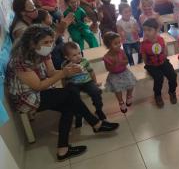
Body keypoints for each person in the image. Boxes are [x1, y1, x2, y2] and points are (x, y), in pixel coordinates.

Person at [6, 25, 119, 161]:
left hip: (39, 91)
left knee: (69, 104)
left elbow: (51, 73)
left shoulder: (43, 51)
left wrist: (69, 70)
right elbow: (39, 86)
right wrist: (64, 73)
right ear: (32, 43)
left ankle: (63, 150)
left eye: (51, 41)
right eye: (46, 42)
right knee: (70, 95)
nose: (49, 45)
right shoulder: (21, 60)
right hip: (26, 99)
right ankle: (96, 124)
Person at [61, 42, 106, 127]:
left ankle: (99, 109)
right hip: (73, 84)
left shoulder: (84, 61)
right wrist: (64, 87)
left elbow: (91, 72)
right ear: (67, 57)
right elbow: (63, 78)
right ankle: (79, 114)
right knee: (73, 96)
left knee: (96, 92)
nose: (78, 56)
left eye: (79, 53)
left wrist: (95, 82)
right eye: (74, 55)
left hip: (87, 81)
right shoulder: (65, 65)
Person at [140, 18, 177, 108]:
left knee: (172, 75)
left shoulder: (160, 39)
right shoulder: (144, 44)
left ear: (156, 30)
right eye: (145, 30)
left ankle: (172, 92)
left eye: (149, 30)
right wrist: (150, 63)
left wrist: (163, 54)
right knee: (159, 78)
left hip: (163, 61)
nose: (146, 32)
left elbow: (165, 52)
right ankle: (158, 95)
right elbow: (144, 59)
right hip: (152, 65)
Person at [103, 32, 137, 113]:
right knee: (117, 89)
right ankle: (121, 102)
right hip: (114, 75)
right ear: (108, 45)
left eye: (119, 42)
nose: (119, 45)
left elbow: (126, 61)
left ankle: (129, 96)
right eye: (115, 43)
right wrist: (114, 65)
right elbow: (108, 69)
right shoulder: (106, 57)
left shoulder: (121, 51)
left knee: (131, 84)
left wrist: (122, 62)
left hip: (124, 71)